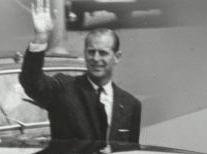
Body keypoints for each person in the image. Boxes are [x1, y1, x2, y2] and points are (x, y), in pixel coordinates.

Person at [19, 0, 141, 144]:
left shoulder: (130, 104)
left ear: (117, 57)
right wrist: (41, 39)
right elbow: (32, 82)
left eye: (103, 53)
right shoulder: (64, 89)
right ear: (84, 53)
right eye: (91, 52)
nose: (96, 58)